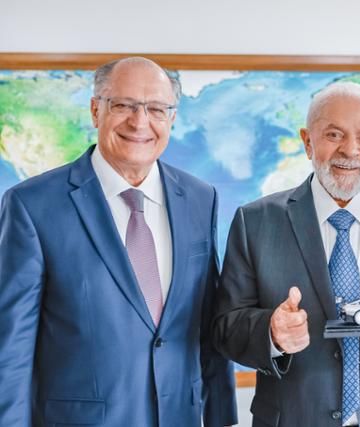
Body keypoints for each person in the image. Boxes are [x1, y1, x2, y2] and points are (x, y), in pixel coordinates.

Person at [0, 57, 237, 426]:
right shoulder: (32, 205)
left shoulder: (199, 198)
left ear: (172, 117)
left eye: (156, 109)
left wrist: (222, 418)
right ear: (96, 110)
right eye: (124, 105)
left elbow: (208, 327)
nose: (139, 122)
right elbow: (11, 349)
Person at [212, 81, 360, 426]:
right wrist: (272, 333)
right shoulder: (254, 221)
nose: (350, 150)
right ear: (307, 141)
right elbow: (226, 327)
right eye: (333, 134)